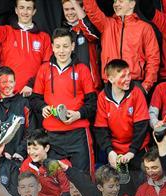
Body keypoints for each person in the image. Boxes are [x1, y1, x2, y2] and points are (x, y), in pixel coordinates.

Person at [31, 27, 97, 174]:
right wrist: (42, 107)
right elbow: (35, 99)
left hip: (78, 134)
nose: (62, 51)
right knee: (54, 180)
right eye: (58, 46)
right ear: (52, 47)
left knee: (82, 178)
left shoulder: (82, 69)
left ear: (73, 46)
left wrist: (78, 114)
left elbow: (92, 103)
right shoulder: (44, 69)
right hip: (52, 136)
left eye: (66, 46)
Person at [83, 0, 159, 93]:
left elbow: (153, 59)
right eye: (115, 1)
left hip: (134, 83)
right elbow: (92, 10)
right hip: (110, 83)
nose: (116, 4)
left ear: (132, 4)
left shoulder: (145, 28)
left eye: (121, 1)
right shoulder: (107, 24)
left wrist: (146, 86)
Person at [0, 0, 52, 96]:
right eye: (21, 8)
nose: (25, 12)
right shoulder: (7, 31)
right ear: (16, 10)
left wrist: (31, 84)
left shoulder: (44, 37)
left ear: (34, 11)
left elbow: (46, 66)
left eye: (29, 8)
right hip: (7, 94)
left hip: (33, 93)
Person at [94, 59, 149, 172]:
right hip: (115, 150)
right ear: (111, 79)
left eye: (129, 75)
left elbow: (142, 125)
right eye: (123, 76)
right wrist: (110, 151)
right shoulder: (102, 97)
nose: (128, 79)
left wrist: (132, 151)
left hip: (138, 148)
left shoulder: (137, 93)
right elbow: (101, 128)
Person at [19, 129, 71, 196]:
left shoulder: (61, 165)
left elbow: (67, 191)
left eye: (35, 148)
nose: (31, 152)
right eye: (29, 148)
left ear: (46, 148)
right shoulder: (27, 164)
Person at [61, 0, 101, 90]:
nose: (70, 12)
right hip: (70, 86)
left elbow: (92, 34)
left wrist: (75, 2)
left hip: (91, 85)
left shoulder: (87, 28)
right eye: (66, 9)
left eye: (73, 8)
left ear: (81, 8)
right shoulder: (62, 31)